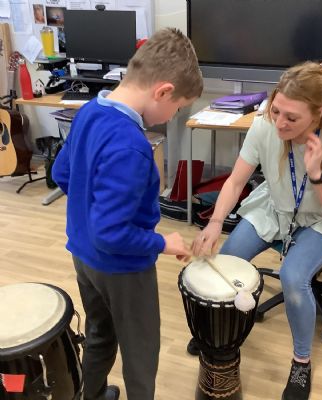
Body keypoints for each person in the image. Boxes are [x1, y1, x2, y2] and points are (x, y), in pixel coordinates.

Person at [189, 61, 322, 400]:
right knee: (229, 258)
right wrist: (214, 222)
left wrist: (317, 176)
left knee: (293, 278)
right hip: (276, 207)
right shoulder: (264, 126)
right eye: (276, 110)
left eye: (292, 118)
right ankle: (219, 337)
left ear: (317, 114)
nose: (280, 122)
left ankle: (302, 362)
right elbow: (236, 181)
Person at [52, 28, 203, 400]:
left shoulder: (89, 112)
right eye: (178, 108)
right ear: (163, 91)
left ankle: (90, 394)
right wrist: (163, 243)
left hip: (83, 257)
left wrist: (90, 212)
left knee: (100, 334)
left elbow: (61, 173)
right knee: (140, 352)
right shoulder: (132, 146)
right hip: (122, 268)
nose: (174, 115)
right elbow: (111, 234)